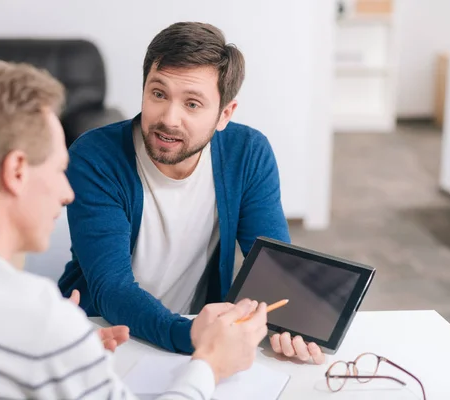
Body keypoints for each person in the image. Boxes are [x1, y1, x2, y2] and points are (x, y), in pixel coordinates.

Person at [0, 60, 271, 399]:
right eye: (59, 170)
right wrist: (210, 365)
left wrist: (65, 356)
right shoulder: (42, 324)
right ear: (16, 171)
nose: (67, 193)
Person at [58, 21, 325, 365]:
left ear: (224, 114)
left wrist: (290, 327)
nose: (169, 118)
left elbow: (272, 270)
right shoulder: (95, 157)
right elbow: (112, 288)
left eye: (193, 104)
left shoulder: (248, 153)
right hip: (104, 335)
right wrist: (194, 338)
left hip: (193, 336)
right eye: (158, 94)